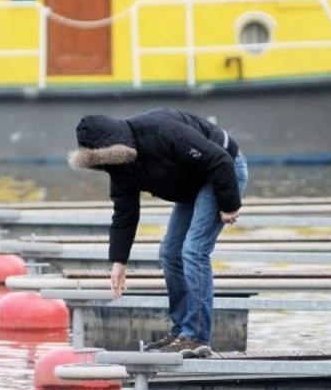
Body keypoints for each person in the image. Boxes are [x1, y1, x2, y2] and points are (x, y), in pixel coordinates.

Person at [68, 107, 248, 358]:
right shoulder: (120, 167)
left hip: (222, 171)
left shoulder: (162, 131)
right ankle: (181, 332)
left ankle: (196, 336)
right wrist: (119, 262)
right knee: (169, 252)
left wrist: (229, 203)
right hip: (192, 183)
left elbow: (219, 160)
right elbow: (124, 212)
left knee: (194, 251)